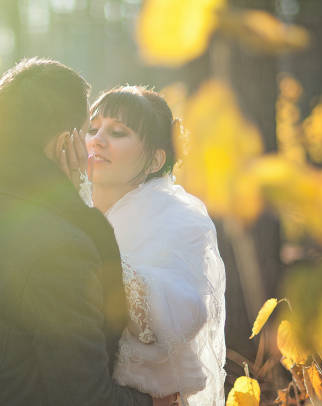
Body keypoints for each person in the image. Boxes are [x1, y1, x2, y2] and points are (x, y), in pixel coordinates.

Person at [0, 59, 165, 405]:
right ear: (67, 140)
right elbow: (83, 397)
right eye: (85, 131)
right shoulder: (60, 242)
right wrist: (156, 402)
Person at [66, 85, 226, 405]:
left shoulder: (179, 220)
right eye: (93, 129)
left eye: (118, 132)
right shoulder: (71, 204)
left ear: (155, 161)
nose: (97, 139)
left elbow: (170, 318)